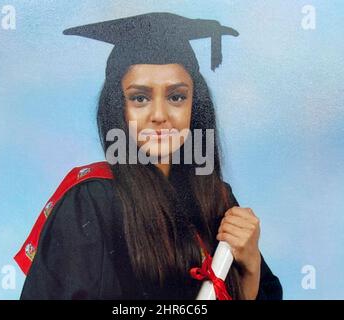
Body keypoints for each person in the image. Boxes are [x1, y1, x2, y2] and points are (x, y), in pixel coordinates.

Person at [15, 12, 283, 300]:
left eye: (176, 97)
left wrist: (250, 267)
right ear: (117, 108)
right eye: (140, 98)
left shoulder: (217, 199)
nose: (159, 115)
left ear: (196, 106)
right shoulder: (93, 202)